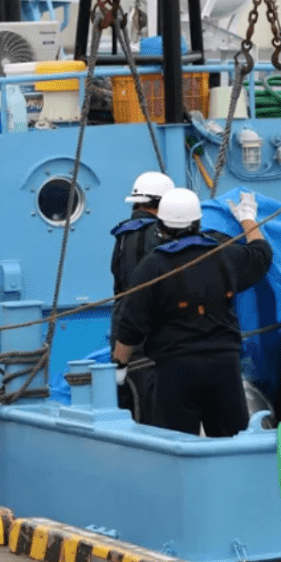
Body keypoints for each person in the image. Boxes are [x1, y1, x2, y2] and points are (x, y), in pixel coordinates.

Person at [112, 188, 273, 437]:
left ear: (161, 226)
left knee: (175, 444)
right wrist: (247, 218)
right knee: (231, 444)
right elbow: (262, 254)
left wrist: (119, 367)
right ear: (198, 222)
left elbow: (130, 327)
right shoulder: (225, 255)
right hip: (225, 368)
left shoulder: (153, 265)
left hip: (176, 371)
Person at [109, 171, 175, 423]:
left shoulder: (123, 236)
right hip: (148, 341)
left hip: (123, 336)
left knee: (131, 406)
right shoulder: (157, 236)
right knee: (154, 413)